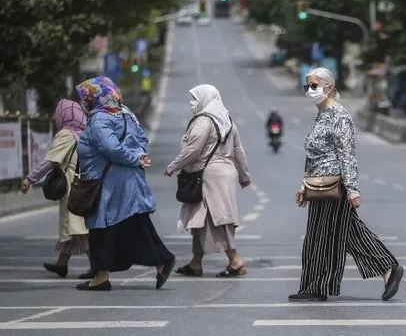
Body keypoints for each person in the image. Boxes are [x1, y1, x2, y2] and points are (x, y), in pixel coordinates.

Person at [290, 67, 403, 302]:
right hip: (318, 184)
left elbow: (347, 154)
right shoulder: (322, 115)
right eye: (307, 87)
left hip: (335, 184)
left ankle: (318, 286)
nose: (309, 91)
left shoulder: (339, 115)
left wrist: (352, 188)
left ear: (329, 88)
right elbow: (313, 157)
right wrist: (304, 187)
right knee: (338, 232)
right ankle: (387, 268)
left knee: (327, 235)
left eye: (314, 86)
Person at [75, 76, 176, 291]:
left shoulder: (100, 120)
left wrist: (132, 158)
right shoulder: (126, 115)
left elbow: (110, 147)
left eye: (86, 97)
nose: (84, 102)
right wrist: (138, 156)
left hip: (109, 184)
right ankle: (160, 261)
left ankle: (101, 276)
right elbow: (141, 141)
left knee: (104, 228)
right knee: (133, 225)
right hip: (127, 181)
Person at [164, 85, 252, 277]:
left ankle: (235, 261)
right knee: (201, 220)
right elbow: (239, 151)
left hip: (210, 177)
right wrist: (243, 176)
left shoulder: (204, 121)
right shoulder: (226, 121)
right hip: (225, 175)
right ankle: (196, 264)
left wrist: (173, 166)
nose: (192, 103)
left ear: (206, 99)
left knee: (218, 220)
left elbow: (193, 150)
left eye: (195, 98)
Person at [20, 99, 94, 279]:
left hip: (71, 190)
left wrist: (30, 179)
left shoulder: (66, 135)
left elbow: (50, 161)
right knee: (72, 228)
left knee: (79, 229)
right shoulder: (84, 134)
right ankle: (62, 264)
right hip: (83, 186)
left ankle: (99, 267)